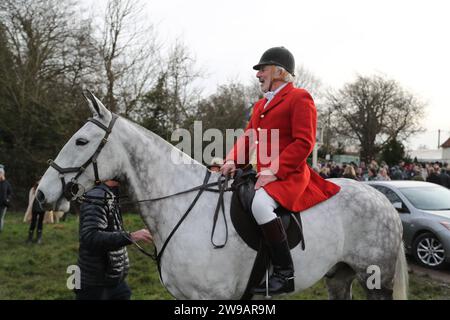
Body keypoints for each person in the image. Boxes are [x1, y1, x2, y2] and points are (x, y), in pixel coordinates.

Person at [220, 47, 340, 295]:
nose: (258, 75)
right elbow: (249, 138)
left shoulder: (300, 98)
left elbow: (303, 142)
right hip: (263, 173)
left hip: (289, 174)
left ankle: (285, 273)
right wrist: (232, 160)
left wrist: (274, 170)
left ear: (278, 71)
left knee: (260, 205)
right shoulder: (261, 105)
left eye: (262, 69)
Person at [74, 178, 153, 300]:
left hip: (114, 281)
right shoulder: (97, 196)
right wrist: (131, 236)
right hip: (95, 285)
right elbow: (90, 237)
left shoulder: (111, 194)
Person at [25, 179, 47, 244]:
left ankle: (39, 238)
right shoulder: (33, 189)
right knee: (33, 223)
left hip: (42, 209)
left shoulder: (45, 189)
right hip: (34, 208)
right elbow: (31, 199)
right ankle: (30, 238)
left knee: (40, 223)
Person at [0, 165, 13, 233]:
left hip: (3, 204)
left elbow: (10, 192)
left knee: (1, 218)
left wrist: (8, 199)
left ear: (2, 174)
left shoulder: (6, 183)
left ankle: (0, 230)